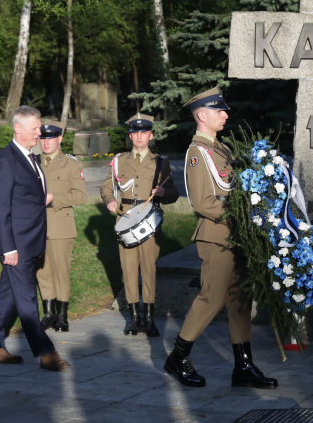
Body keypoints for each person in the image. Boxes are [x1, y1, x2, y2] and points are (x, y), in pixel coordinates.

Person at [164, 87, 278, 390]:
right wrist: (242, 212)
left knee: (240, 300)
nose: (225, 115)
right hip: (217, 238)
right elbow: (203, 203)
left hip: (236, 237)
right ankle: (178, 356)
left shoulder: (221, 149)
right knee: (211, 299)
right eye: (219, 111)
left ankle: (243, 367)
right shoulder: (197, 153)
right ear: (202, 115)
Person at [0, 106, 70, 371]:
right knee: (27, 297)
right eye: (34, 128)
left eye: (39, 127)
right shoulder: (5, 160)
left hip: (30, 241)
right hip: (15, 244)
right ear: (17, 128)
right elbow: (0, 209)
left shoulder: (32, 158)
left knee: (7, 294)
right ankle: (46, 353)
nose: (39, 133)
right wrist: (7, 248)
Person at [100, 114, 179, 336]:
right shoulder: (118, 161)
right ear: (130, 135)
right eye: (135, 133)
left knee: (149, 270)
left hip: (149, 222)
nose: (138, 136)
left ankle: (149, 320)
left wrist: (164, 193)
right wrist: (110, 200)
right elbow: (106, 187)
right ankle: (135, 320)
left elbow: (174, 192)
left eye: (143, 132)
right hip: (125, 219)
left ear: (150, 135)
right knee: (128, 270)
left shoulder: (160, 162)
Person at [36, 120, 88, 332]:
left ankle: (62, 315)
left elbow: (81, 195)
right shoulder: (33, 161)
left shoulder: (71, 164)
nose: (46, 142)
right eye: (43, 138)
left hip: (60, 223)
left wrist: (53, 197)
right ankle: (49, 313)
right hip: (36, 225)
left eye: (50, 138)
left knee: (60, 270)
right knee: (42, 270)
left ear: (59, 138)